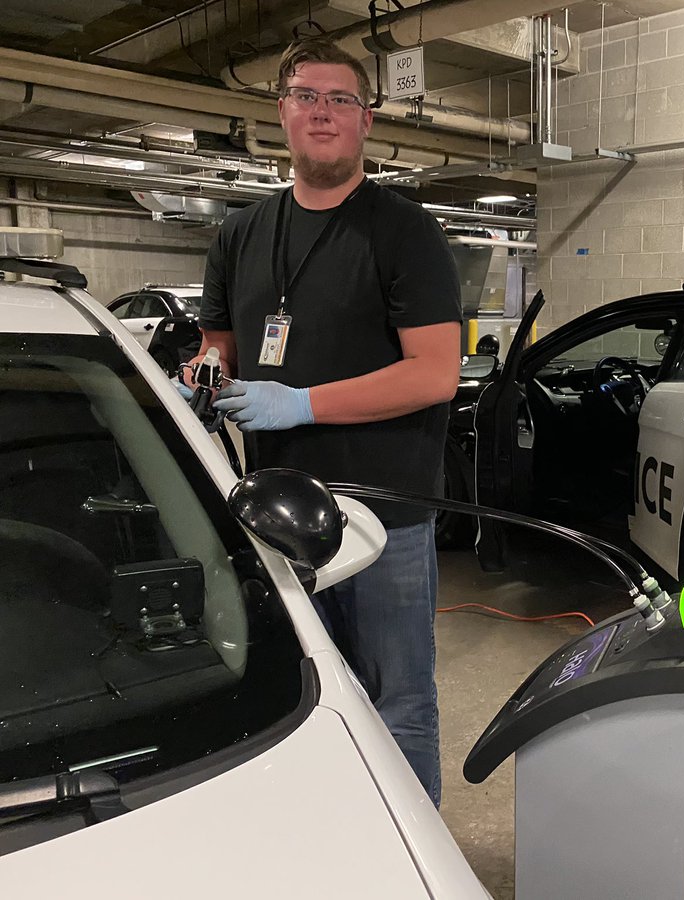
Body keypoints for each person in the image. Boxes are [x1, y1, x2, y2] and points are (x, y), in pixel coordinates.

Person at [187, 37, 462, 807]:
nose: (323, 112)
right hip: (276, 513)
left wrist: (301, 402)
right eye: (306, 95)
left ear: (366, 120)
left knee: (399, 700)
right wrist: (199, 385)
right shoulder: (240, 234)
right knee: (306, 697)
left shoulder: (405, 231)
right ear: (282, 111)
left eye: (341, 99)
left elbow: (435, 373)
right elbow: (218, 350)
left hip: (386, 517)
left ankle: (410, 864)